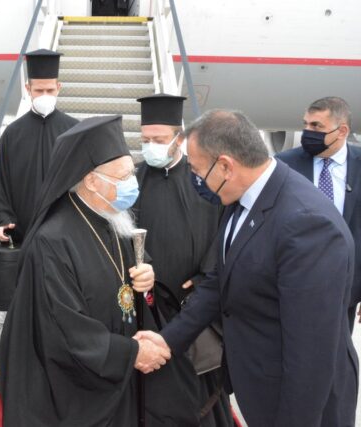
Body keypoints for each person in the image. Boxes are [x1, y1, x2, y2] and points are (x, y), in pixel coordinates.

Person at [143, 109, 358, 426]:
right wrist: (167, 340)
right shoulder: (244, 197)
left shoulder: (306, 224)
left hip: (300, 405)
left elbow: (310, 352)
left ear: (226, 166)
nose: (196, 180)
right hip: (261, 386)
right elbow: (219, 281)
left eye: (198, 171)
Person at [0, 115, 171, 427]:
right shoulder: (52, 241)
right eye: (123, 176)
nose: (132, 183)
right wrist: (131, 353)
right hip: (76, 394)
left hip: (117, 378)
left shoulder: (113, 220)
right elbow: (65, 330)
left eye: (131, 173)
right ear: (91, 181)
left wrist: (147, 281)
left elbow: (127, 292)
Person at [133, 94, 231, 426]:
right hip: (147, 304)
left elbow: (224, 231)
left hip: (194, 304)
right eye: (145, 139)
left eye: (159, 139)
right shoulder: (134, 179)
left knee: (198, 391)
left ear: (179, 138)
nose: (151, 146)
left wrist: (206, 276)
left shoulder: (205, 179)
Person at [277, 97, 361, 331]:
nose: (307, 132)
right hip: (292, 282)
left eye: (316, 126)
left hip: (345, 286)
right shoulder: (284, 165)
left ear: (342, 131)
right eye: (305, 124)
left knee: (337, 350)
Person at [0, 48, 78, 244]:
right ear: (28, 89)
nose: (45, 95)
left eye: (50, 90)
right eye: (39, 91)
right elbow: (1, 186)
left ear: (59, 88)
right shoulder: (12, 134)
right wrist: (2, 221)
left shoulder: (75, 131)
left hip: (66, 237)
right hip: (24, 237)